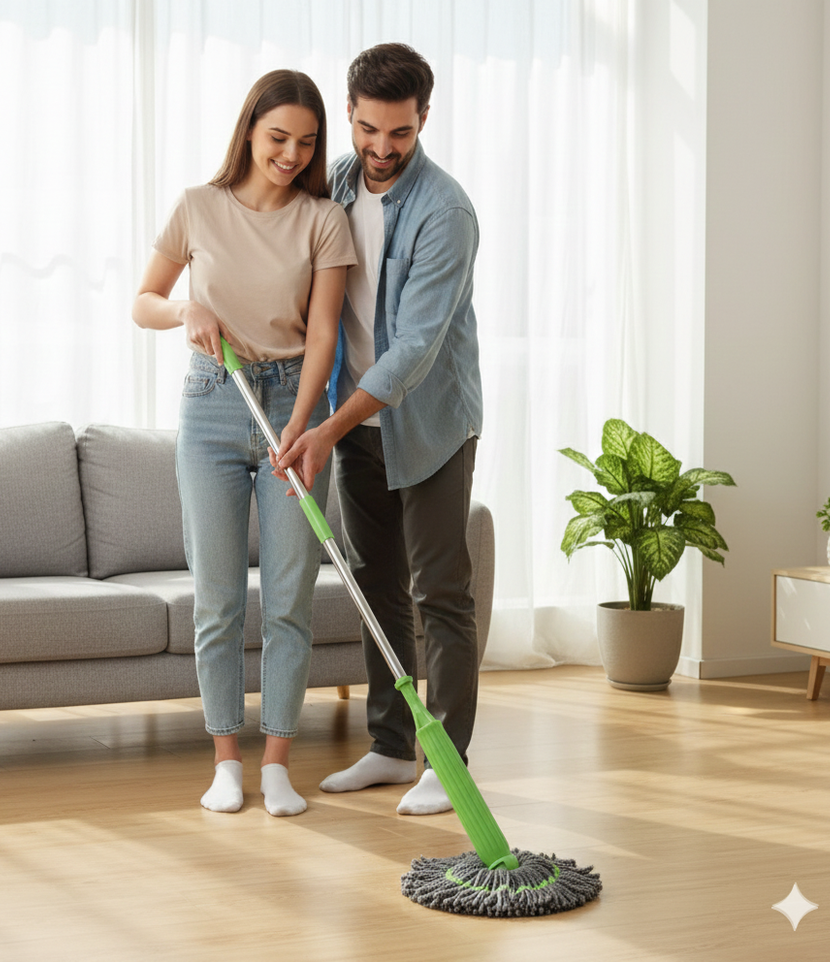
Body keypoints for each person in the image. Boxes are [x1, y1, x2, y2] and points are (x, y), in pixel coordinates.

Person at [132, 70, 356, 817]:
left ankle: (280, 762)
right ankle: (226, 759)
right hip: (212, 404)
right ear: (248, 133)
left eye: (306, 142)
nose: (291, 154)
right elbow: (144, 301)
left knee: (290, 597)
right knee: (219, 599)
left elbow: (324, 329)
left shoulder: (324, 219)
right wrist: (184, 310)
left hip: (292, 402)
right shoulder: (198, 207)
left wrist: (308, 415)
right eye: (277, 138)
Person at [275, 43, 483, 816]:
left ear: (424, 117)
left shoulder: (445, 211)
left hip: (427, 423)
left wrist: (327, 429)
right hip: (348, 416)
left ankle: (448, 760)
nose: (381, 148)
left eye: (398, 132)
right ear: (352, 114)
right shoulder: (332, 181)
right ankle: (394, 747)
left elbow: (412, 354)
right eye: (367, 129)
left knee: (441, 593)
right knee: (374, 586)